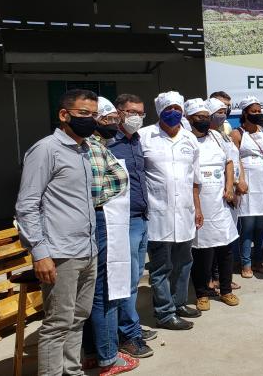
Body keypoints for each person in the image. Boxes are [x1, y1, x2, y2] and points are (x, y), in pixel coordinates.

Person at [15, 89, 100, 376]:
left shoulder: (83, 149)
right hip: (60, 253)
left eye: (94, 115)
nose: (90, 119)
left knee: (78, 318)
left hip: (87, 250)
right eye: (84, 113)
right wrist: (40, 253)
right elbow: (27, 205)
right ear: (64, 115)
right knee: (57, 323)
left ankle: (72, 371)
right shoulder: (46, 150)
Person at [81, 97, 136, 375]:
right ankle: (108, 357)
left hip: (108, 221)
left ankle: (93, 351)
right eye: (109, 119)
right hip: (102, 221)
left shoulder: (100, 146)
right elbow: (96, 191)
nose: (115, 124)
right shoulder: (91, 148)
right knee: (104, 291)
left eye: (116, 119)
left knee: (93, 290)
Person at [140, 91, 202, 330]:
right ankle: (165, 313)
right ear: (159, 112)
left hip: (185, 212)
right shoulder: (145, 136)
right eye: (169, 109)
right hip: (158, 213)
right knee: (161, 266)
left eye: (177, 109)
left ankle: (179, 302)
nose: (174, 113)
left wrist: (198, 209)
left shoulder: (190, 139)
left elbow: (194, 179)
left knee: (184, 263)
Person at [109, 94, 156, 359]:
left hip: (141, 217)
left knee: (135, 277)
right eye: (131, 112)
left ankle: (131, 325)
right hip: (122, 221)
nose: (136, 117)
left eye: (140, 113)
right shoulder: (109, 142)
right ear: (119, 113)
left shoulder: (136, 140)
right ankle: (128, 335)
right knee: (125, 280)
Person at [185, 99, 240, 311]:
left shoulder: (218, 137)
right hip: (199, 202)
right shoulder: (186, 139)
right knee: (202, 251)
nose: (204, 120)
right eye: (199, 117)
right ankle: (202, 293)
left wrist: (229, 186)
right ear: (189, 119)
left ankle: (226, 290)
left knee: (225, 249)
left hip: (220, 202)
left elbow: (229, 162)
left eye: (206, 117)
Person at [231, 96, 263, 278]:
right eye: (253, 111)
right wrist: (239, 181)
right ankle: (246, 263)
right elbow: (234, 160)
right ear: (245, 113)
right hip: (247, 184)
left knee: (262, 227)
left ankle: (259, 261)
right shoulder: (237, 134)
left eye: (259, 111)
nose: (257, 114)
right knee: (248, 226)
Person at [205, 97, 243, 291]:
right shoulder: (206, 137)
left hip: (232, 191)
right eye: (219, 112)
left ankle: (222, 276)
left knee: (226, 237)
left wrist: (239, 181)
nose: (224, 114)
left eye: (225, 110)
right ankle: (212, 277)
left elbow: (235, 160)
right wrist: (230, 187)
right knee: (214, 238)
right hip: (219, 193)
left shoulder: (224, 134)